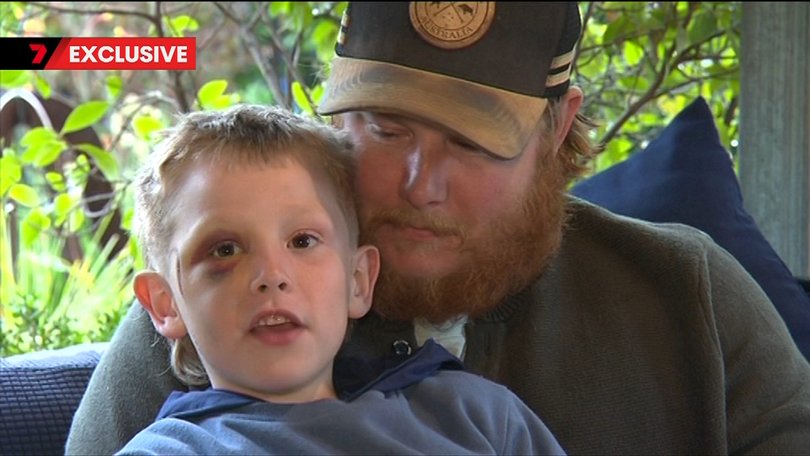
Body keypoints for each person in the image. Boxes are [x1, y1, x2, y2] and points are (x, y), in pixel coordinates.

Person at [68, 3, 810, 455]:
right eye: (387, 128)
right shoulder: (221, 312)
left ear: (559, 128)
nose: (422, 184)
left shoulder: (691, 296)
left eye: (471, 141)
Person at [112, 104, 565, 455]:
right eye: (225, 251)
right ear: (165, 303)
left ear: (358, 279)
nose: (271, 276)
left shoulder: (473, 416)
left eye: (303, 241)